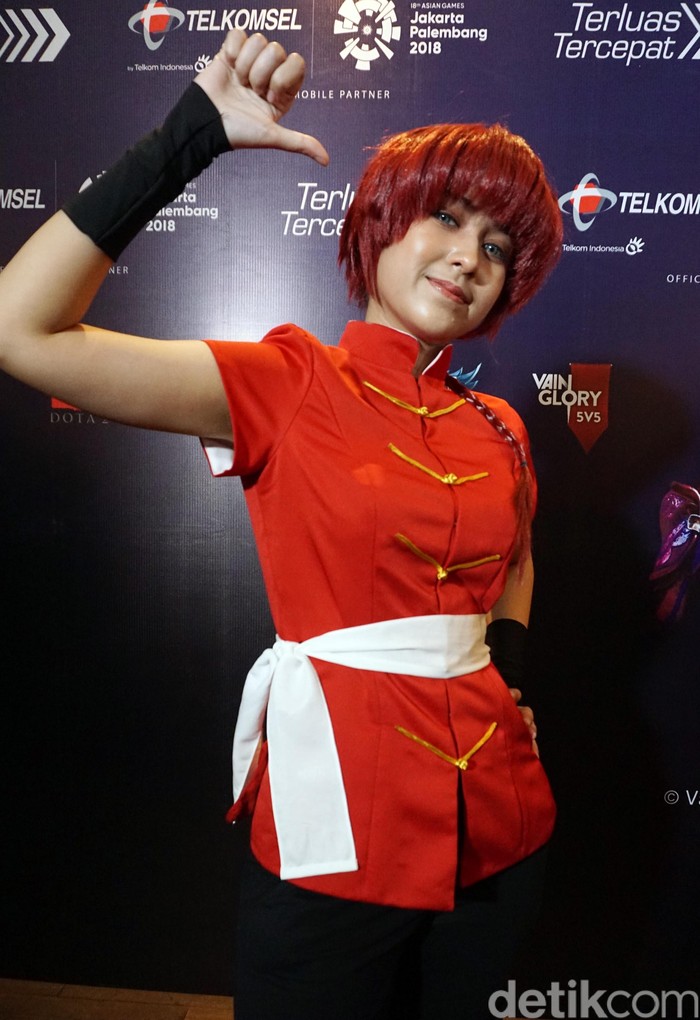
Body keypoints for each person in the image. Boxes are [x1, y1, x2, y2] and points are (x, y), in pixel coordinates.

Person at [0, 30, 562, 1020]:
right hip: (336, 832)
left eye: (497, 246)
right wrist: (188, 138)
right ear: (383, 222)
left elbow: (514, 561)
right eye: (447, 216)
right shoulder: (286, 380)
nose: (468, 257)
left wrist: (508, 668)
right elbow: (22, 330)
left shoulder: (500, 425)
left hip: (501, 826)